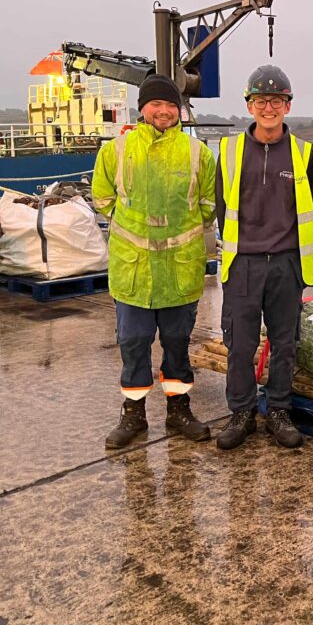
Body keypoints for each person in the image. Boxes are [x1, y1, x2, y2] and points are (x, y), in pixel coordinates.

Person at [92, 74, 217, 449]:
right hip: (134, 270)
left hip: (180, 268)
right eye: (155, 104)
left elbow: (209, 206)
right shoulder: (115, 150)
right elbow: (102, 197)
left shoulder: (198, 153)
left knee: (178, 342)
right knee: (133, 342)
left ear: (178, 110)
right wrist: (133, 232)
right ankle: (133, 415)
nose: (163, 111)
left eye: (169, 105)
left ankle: (179, 410)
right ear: (142, 108)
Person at [214, 65, 313, 450]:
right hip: (242, 264)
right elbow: (220, 205)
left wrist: (292, 259)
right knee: (240, 345)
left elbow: (310, 207)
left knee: (284, 342)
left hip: (286, 264)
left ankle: (278, 410)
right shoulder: (228, 151)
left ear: (288, 106)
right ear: (249, 105)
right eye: (261, 100)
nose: (269, 107)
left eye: (277, 100)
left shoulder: (302, 153)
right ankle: (241, 413)